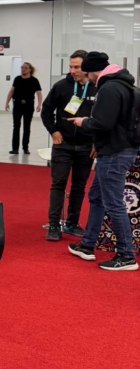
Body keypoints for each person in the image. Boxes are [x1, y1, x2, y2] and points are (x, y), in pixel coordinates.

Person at [67, 51, 139, 271]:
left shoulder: (109, 89)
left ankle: (126, 256)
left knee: (113, 204)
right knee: (97, 197)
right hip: (121, 149)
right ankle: (88, 244)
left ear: (92, 71)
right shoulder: (127, 86)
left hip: (113, 152)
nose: (83, 76)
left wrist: (83, 122)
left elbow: (103, 123)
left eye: (84, 72)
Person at [41, 50, 96, 241]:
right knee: (58, 184)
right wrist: (53, 131)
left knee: (79, 186)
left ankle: (72, 222)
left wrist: (96, 142)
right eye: (71, 67)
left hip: (86, 146)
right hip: (63, 144)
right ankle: (54, 225)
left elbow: (102, 119)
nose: (73, 71)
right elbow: (46, 110)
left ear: (87, 67)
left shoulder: (97, 88)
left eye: (77, 67)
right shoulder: (61, 86)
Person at [5, 61, 42, 154]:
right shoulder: (17, 79)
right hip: (17, 104)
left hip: (28, 105)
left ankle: (25, 147)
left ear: (30, 70)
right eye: (22, 67)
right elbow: (11, 91)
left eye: (25, 68)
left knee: (27, 126)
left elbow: (39, 93)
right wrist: (7, 102)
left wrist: (39, 104)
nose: (23, 69)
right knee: (16, 126)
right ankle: (15, 149)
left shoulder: (34, 80)